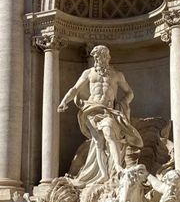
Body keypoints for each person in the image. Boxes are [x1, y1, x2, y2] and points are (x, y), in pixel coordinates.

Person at [58, 44, 143, 185]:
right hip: (91, 109)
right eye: (97, 57)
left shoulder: (116, 75)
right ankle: (103, 174)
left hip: (108, 111)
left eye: (103, 56)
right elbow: (75, 89)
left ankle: (117, 166)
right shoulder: (88, 73)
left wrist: (122, 104)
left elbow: (130, 93)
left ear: (108, 57)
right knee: (98, 142)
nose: (100, 59)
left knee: (109, 133)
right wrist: (64, 101)